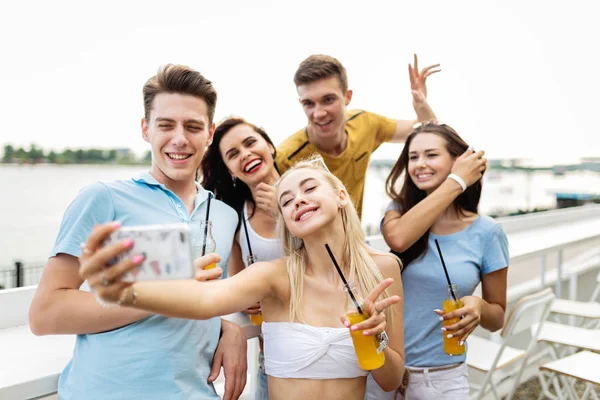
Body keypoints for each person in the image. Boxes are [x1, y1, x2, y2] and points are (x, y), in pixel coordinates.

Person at [80, 157, 406, 400]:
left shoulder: (383, 270)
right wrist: (126, 290)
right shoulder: (274, 276)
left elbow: (391, 379)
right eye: (287, 201)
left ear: (341, 196)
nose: (298, 201)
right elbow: (205, 300)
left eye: (309, 189)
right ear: (287, 223)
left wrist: (375, 339)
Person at [28, 64, 248, 400]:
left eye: (192, 126)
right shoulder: (104, 199)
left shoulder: (223, 215)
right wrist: (170, 290)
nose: (179, 138)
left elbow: (206, 303)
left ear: (210, 133)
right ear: (146, 129)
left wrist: (227, 327)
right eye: (166, 125)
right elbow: (45, 314)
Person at [379, 122, 509, 399]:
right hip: (382, 373)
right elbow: (398, 239)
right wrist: (457, 181)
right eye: (413, 157)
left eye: (431, 155)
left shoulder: (487, 233)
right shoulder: (397, 212)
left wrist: (478, 305)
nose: (419, 164)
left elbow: (496, 317)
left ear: (458, 162)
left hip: (440, 380)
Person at [276, 54, 440, 219]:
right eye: (309, 103)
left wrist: (421, 104)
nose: (318, 113)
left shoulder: (365, 123)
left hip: (354, 240)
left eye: (328, 100)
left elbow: (426, 129)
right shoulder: (286, 157)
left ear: (348, 96)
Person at [201, 116, 284, 400]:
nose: (246, 154)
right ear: (230, 170)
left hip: (327, 344)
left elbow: (339, 261)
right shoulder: (236, 217)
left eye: (251, 143)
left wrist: (284, 212)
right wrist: (247, 299)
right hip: (272, 358)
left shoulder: (311, 190)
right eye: (233, 154)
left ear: (269, 147)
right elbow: (238, 286)